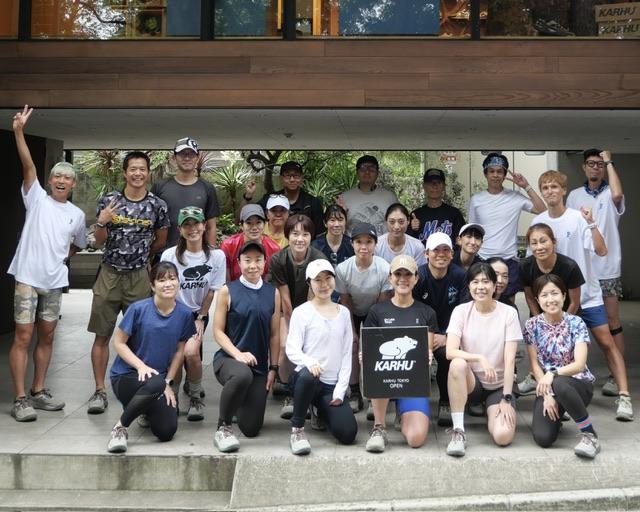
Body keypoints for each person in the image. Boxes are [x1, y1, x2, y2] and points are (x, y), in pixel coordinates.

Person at [532, 170, 633, 421]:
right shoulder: (540, 221)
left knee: (607, 343)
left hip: (587, 295)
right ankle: (559, 397)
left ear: (564, 190)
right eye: (545, 188)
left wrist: (592, 223)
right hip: (557, 301)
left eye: (555, 187)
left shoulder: (578, 217)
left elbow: (602, 250)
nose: (550, 191)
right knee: (557, 351)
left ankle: (624, 396)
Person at [8, 105, 87, 422]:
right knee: (22, 338)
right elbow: (27, 165)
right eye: (57, 175)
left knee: (48, 337)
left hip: (54, 283)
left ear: (73, 184)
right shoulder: (36, 198)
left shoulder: (76, 215)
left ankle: (38, 390)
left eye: (67, 177)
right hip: (27, 278)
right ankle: (20, 399)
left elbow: (78, 244)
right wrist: (19, 131)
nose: (61, 180)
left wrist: (64, 258)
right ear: (49, 180)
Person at [87, 151, 169, 415]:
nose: (137, 174)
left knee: (141, 337)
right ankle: (99, 391)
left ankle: (141, 390)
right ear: (124, 172)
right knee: (102, 335)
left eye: (142, 169)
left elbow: (160, 241)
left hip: (139, 277)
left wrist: (141, 258)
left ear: (148, 172)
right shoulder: (110, 201)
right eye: (133, 169)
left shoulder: (157, 205)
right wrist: (102, 221)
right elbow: (98, 240)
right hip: (109, 274)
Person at [106, 261, 197, 453]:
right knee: (155, 382)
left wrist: (168, 382)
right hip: (127, 376)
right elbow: (119, 342)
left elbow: (179, 351)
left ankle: (146, 409)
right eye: (161, 280)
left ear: (179, 282)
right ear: (152, 286)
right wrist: (141, 366)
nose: (168, 284)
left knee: (166, 431)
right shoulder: (138, 309)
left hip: (157, 382)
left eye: (172, 279)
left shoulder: (185, 314)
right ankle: (120, 428)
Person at [445, 262, 521, 457]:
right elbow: (450, 351)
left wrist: (506, 398)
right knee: (457, 364)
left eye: (486, 281)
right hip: (473, 384)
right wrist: (479, 358)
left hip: (498, 386)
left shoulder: (509, 313)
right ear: (469, 286)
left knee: (503, 437)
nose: (480, 287)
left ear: (495, 286)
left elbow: (510, 360)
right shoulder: (461, 311)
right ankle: (458, 430)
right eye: (475, 282)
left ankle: (493, 410)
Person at [212, 241, 281, 452]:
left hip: (258, 367)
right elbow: (217, 331)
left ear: (265, 262)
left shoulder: (273, 293)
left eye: (258, 260)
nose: (253, 265)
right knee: (242, 375)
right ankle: (223, 427)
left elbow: (275, 334)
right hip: (229, 360)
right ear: (239, 263)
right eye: (247, 260)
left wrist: (273, 368)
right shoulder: (227, 290)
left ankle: (237, 400)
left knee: (251, 428)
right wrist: (238, 354)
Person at [566, 149, 625, 398]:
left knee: (612, 323)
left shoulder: (611, 193)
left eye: (600, 164)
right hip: (581, 270)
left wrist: (609, 161)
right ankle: (576, 371)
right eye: (591, 164)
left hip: (607, 268)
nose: (596, 168)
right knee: (574, 321)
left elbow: (618, 194)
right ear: (584, 167)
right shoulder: (574, 196)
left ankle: (614, 376)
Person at [363, 255, 437, 453]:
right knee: (378, 366)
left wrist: (427, 356)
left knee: (415, 439)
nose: (403, 279)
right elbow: (369, 349)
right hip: (385, 379)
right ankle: (379, 427)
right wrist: (365, 357)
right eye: (398, 274)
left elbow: (426, 352)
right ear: (390, 278)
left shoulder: (427, 312)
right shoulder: (377, 311)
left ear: (416, 278)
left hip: (412, 382)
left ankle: (402, 413)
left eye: (408, 274)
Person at [523, 274, 600, 459]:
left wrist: (553, 373)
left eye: (555, 293)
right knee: (543, 438)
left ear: (564, 296)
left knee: (560, 383)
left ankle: (590, 435)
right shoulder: (531, 325)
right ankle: (559, 414)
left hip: (577, 384)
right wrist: (547, 395)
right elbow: (535, 365)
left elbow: (579, 365)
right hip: (547, 387)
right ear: (537, 300)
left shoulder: (576, 323)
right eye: (544, 295)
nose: (550, 299)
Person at [285, 259, 358, 455]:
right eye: (318, 280)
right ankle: (297, 430)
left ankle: (319, 409)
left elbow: (346, 354)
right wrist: (309, 362)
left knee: (348, 433)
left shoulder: (344, 313)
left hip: (330, 385)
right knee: (308, 376)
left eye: (328, 278)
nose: (324, 284)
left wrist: (340, 390)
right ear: (309, 283)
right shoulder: (302, 312)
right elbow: (292, 349)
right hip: (306, 379)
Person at [160, 206, 226, 421]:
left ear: (204, 225)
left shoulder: (216, 256)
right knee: (175, 356)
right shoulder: (170, 255)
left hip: (197, 313)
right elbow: (164, 287)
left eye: (196, 223)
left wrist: (201, 318)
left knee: (190, 352)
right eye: (186, 224)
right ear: (180, 229)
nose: (192, 229)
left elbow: (212, 290)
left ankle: (196, 396)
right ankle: (172, 396)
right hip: (173, 312)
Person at [267, 215, 328, 419]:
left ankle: (314, 395)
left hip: (314, 310)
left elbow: (315, 295)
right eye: (295, 234)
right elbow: (285, 300)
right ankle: (289, 392)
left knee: (313, 346)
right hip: (287, 311)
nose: (300, 239)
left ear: (311, 237)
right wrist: (295, 329)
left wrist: (307, 327)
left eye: (305, 234)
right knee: (287, 347)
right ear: (288, 235)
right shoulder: (278, 259)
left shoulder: (319, 259)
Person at [467, 153, 546, 301]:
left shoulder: (515, 197)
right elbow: (471, 231)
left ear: (504, 175)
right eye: (491, 171)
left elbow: (542, 210)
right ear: (485, 174)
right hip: (483, 258)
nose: (495, 175)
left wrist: (526, 186)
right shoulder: (476, 200)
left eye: (499, 171)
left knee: (509, 303)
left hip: (509, 259)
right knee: (482, 301)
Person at [335, 222, 393, 413]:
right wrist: (352, 332)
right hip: (351, 309)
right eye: (359, 242)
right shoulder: (343, 269)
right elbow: (345, 301)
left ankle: (373, 394)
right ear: (352, 244)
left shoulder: (384, 268)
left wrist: (371, 333)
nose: (363, 247)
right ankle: (354, 392)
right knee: (352, 346)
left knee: (373, 348)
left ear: (375, 244)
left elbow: (382, 304)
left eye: (368, 242)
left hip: (375, 309)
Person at [413, 232, 466, 427]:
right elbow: (412, 309)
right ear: (427, 254)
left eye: (446, 250)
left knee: (446, 356)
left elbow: (464, 310)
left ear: (452, 254)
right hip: (422, 330)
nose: (441, 254)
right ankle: (411, 403)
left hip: (449, 332)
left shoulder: (460, 275)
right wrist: (427, 335)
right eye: (436, 250)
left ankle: (445, 400)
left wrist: (447, 336)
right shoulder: (418, 276)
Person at [151, 137, 220, 248]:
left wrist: (211, 253)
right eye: (182, 154)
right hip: (165, 253)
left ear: (197, 157)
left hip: (197, 253)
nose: (187, 158)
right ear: (174, 158)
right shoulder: (160, 186)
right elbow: (151, 222)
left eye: (191, 154)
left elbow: (211, 227)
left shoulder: (207, 188)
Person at [243, 160, 324, 234]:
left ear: (301, 178)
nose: (292, 179)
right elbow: (244, 218)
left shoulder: (313, 203)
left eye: (296, 175)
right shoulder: (271, 199)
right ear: (281, 178)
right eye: (288, 175)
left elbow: (319, 234)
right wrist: (248, 195)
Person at [337, 155, 399, 236]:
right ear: (357, 173)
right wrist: (340, 215)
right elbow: (335, 227)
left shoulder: (390, 197)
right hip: (351, 243)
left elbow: (399, 224)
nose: (367, 172)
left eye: (371, 169)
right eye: (363, 169)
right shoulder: (344, 198)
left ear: (377, 173)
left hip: (382, 243)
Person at [220, 204, 280, 281]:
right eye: (249, 223)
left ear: (264, 224)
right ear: (241, 226)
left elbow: (270, 280)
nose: (254, 227)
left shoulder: (274, 249)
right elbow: (225, 280)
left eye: (258, 222)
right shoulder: (228, 245)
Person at [407, 168, 465, 246]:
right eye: (431, 183)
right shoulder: (416, 215)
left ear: (444, 186)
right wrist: (412, 229)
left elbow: (462, 242)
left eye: (438, 182)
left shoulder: (454, 213)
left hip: (448, 253)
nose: (435, 186)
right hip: (423, 254)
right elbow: (408, 244)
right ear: (424, 186)